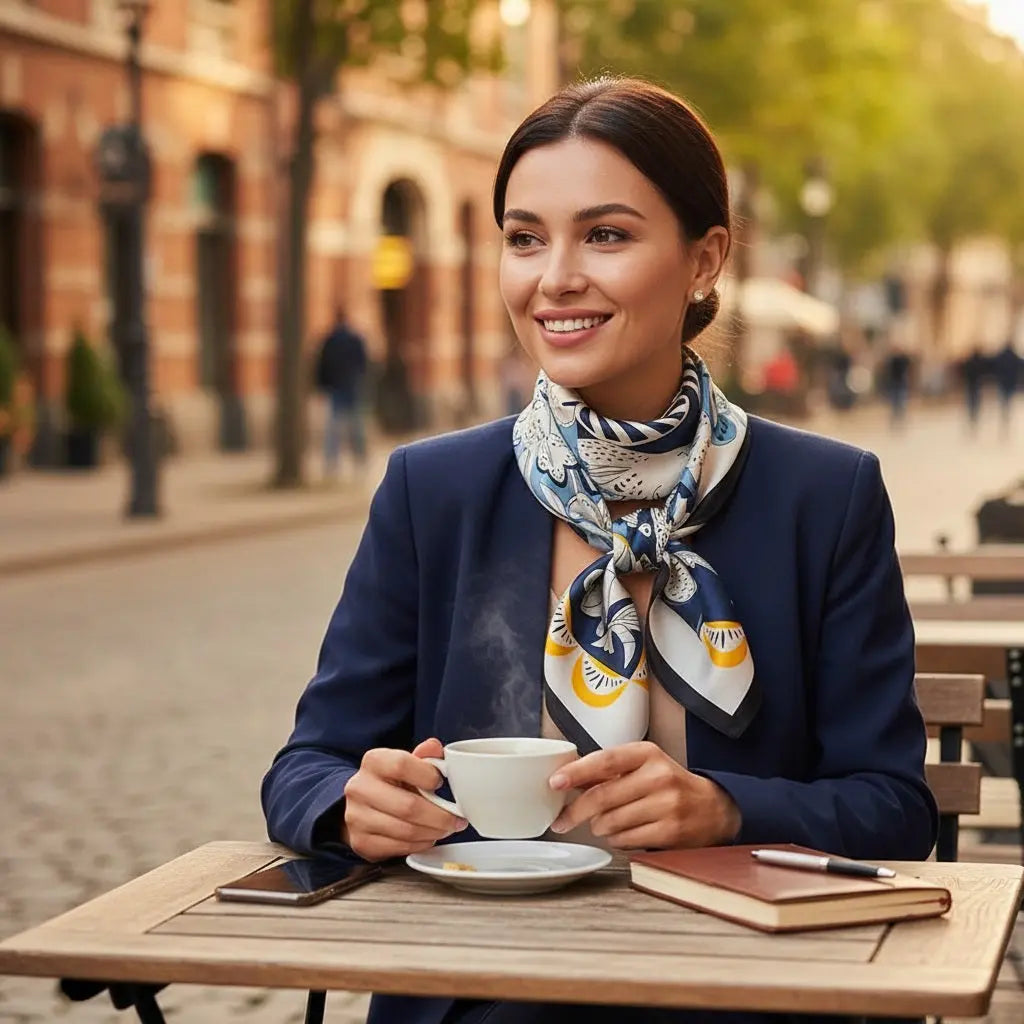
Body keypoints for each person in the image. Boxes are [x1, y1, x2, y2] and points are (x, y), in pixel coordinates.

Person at [263, 79, 936, 1024]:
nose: (555, 277)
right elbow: (306, 766)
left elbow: (895, 807)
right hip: (482, 994)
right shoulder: (434, 490)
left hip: (737, 993)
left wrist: (725, 809)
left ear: (704, 259)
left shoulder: (825, 496)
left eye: (606, 235)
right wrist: (351, 803)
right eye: (524, 238)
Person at [315, 308, 368, 477]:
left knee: (334, 428)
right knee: (356, 426)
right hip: (352, 386)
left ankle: (332, 462)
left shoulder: (330, 340)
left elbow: (322, 365)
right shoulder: (355, 338)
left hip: (336, 388)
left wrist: (323, 386)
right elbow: (363, 363)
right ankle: (360, 459)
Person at [882, 347, 912, 429]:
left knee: (900, 403)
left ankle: (900, 420)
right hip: (895, 383)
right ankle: (896, 420)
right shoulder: (892, 360)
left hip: (899, 383)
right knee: (896, 403)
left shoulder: (901, 359)